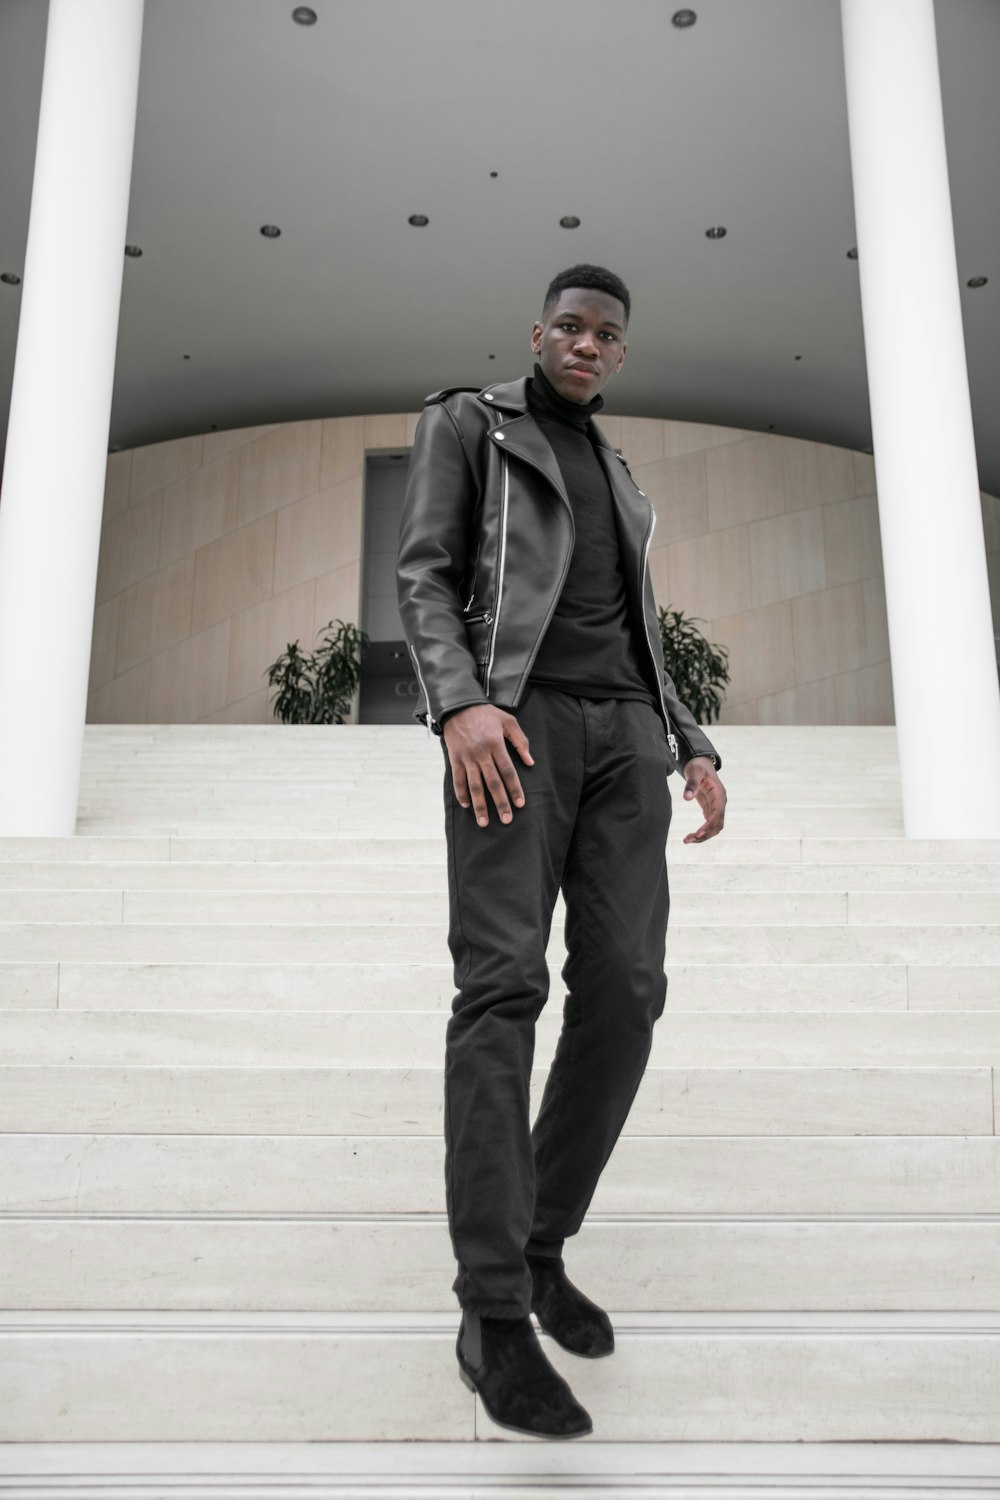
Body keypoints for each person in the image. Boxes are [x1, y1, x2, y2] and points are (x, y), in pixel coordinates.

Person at [396, 264, 727, 1438]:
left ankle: (540, 1249)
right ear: (537, 333)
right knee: (502, 990)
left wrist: (688, 740)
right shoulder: (470, 423)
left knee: (629, 992)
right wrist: (458, 705)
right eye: (570, 327)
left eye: (606, 335)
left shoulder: (622, 476)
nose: (586, 344)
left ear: (621, 354)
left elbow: (643, 629)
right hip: (513, 731)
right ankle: (489, 1316)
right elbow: (424, 575)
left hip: (627, 740)